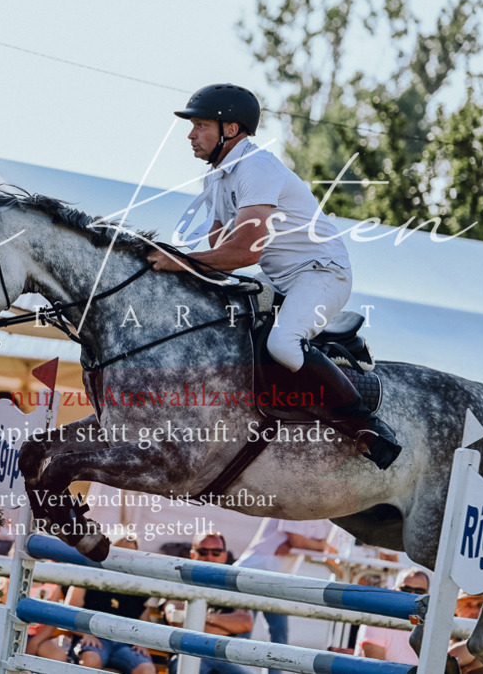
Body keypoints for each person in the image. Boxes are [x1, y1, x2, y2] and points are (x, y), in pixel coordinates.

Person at [146, 83, 401, 470]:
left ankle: (368, 428)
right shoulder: (216, 178)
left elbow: (245, 251)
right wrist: (179, 265)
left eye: (200, 125)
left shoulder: (257, 167)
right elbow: (222, 253)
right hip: (278, 279)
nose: (191, 135)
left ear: (231, 130)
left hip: (323, 273)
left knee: (282, 344)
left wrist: (179, 261)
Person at [234, 517, 330, 674]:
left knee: (278, 637)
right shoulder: (298, 505)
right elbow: (300, 542)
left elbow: (322, 546)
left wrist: (302, 544)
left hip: (276, 580)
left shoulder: (319, 513)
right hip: (254, 573)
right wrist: (303, 544)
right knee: (244, 633)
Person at [152, 533, 253, 674]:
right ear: (193, 554)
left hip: (227, 658)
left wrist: (200, 618)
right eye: (203, 551)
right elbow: (177, 621)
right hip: (188, 654)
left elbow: (245, 623)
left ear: (224, 556)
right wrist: (227, 627)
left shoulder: (233, 587)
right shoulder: (179, 582)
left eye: (216, 552)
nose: (209, 557)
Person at [65, 535, 155, 674]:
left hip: (125, 644)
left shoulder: (137, 586)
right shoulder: (88, 575)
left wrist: (142, 643)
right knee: (91, 659)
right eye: (120, 553)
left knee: (147, 669)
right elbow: (68, 614)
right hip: (93, 639)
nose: (125, 559)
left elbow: (145, 622)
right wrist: (85, 634)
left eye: (131, 555)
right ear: (108, 551)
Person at [354, 568, 429, 665]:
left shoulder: (430, 623)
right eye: (406, 589)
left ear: (427, 596)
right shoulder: (379, 616)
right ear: (394, 591)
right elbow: (375, 667)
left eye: (419, 591)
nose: (412, 595)